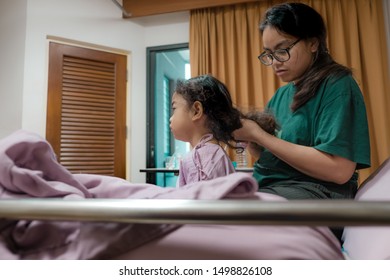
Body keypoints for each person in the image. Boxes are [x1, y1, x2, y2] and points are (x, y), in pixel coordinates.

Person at [233, 2, 371, 201]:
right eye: (269, 54)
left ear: (313, 43)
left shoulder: (337, 85)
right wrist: (251, 139)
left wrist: (260, 136)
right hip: (276, 188)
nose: (275, 62)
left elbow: (339, 171)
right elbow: (274, 157)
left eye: (282, 50)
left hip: (314, 192)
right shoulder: (281, 95)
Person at [170, 74, 242, 187]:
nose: (171, 118)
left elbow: (199, 203)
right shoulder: (210, 154)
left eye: (174, 108)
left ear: (196, 111)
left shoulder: (204, 158)